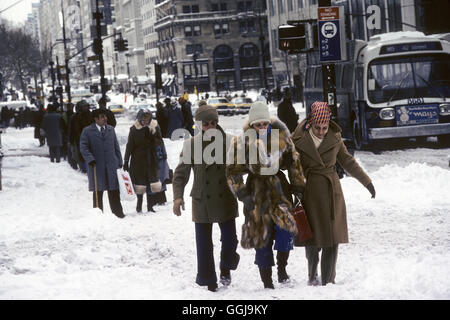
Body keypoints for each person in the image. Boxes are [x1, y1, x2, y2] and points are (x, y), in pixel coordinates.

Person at [291, 101, 376, 286]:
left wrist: (367, 182)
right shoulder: (296, 139)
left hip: (331, 191)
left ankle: (328, 280)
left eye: (324, 127)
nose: (321, 131)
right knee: (311, 237)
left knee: (332, 237)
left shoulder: (335, 137)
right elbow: (291, 166)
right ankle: (312, 275)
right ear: (310, 122)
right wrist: (294, 189)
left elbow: (347, 161)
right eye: (317, 128)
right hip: (309, 191)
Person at [226, 101, 306, 289]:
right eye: (257, 124)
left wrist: (298, 186)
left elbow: (294, 162)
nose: (262, 127)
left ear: (269, 123)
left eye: (264, 123)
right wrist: (242, 193)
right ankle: (267, 279)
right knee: (261, 237)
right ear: (252, 125)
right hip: (256, 193)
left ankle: (282, 268)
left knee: (285, 232)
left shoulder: (282, 138)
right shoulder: (242, 142)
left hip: (280, 191)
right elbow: (232, 171)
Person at [172, 104, 240, 292]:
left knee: (230, 240)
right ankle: (208, 279)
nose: (210, 127)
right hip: (202, 200)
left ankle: (226, 265)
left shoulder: (231, 142)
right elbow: (180, 175)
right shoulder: (191, 145)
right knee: (204, 245)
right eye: (205, 124)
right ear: (199, 125)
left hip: (225, 198)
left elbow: (240, 170)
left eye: (213, 123)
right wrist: (178, 197)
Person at [79, 108, 125, 219]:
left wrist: (119, 161)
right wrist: (90, 159)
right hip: (96, 166)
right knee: (97, 190)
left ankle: (118, 212)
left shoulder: (110, 129)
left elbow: (116, 146)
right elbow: (83, 147)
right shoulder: (87, 131)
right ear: (96, 119)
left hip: (111, 164)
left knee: (114, 190)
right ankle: (98, 214)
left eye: (105, 116)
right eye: (102, 117)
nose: (105, 119)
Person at [123, 109, 160, 213]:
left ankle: (150, 206)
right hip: (138, 160)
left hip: (151, 158)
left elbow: (160, 141)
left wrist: (153, 139)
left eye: (147, 119)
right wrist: (126, 160)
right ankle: (139, 205)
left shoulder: (154, 127)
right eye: (143, 120)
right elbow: (129, 145)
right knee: (140, 183)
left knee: (151, 183)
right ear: (139, 119)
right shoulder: (134, 129)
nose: (145, 122)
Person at [147, 113, 170, 206]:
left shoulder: (155, 125)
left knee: (160, 177)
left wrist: (164, 153)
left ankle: (161, 198)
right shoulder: (139, 127)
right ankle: (153, 199)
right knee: (152, 178)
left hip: (158, 155)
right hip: (149, 156)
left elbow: (160, 139)